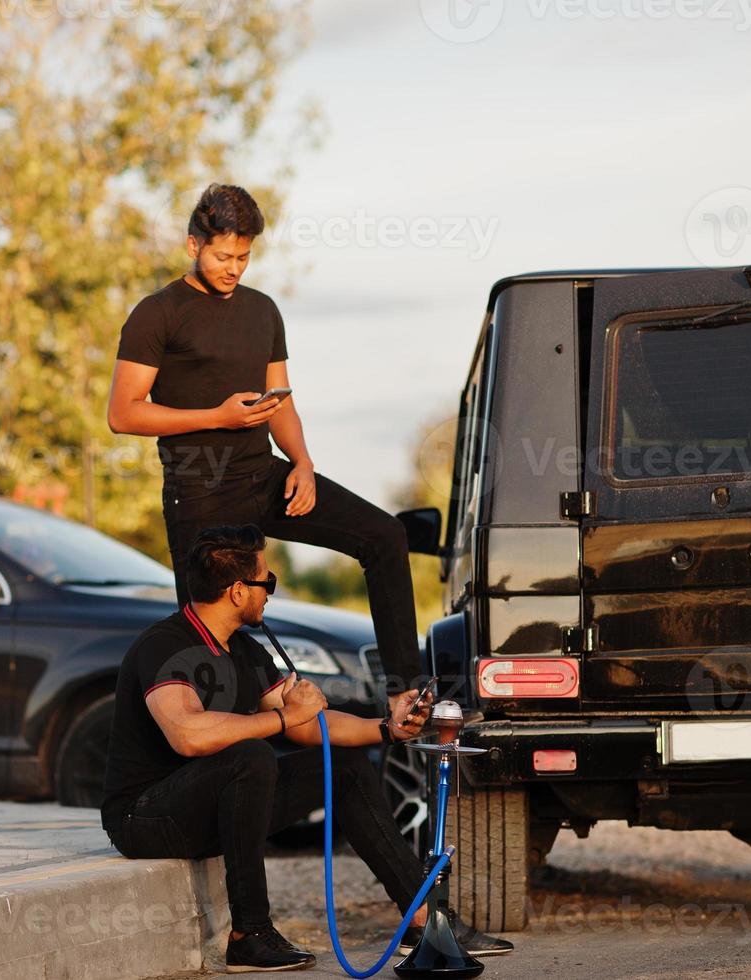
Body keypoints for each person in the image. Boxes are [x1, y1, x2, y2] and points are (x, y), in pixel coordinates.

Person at [100, 525, 513, 973]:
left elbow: (310, 726)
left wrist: (388, 729)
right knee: (251, 755)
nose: (270, 593)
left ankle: (423, 919)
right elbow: (189, 735)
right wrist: (279, 718)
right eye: (267, 582)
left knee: (347, 767)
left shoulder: (245, 649)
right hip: (143, 817)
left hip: (212, 805)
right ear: (238, 591)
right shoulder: (166, 645)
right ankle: (249, 934)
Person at [106, 182, 422, 696]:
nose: (234, 267)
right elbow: (123, 413)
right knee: (208, 640)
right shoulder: (157, 313)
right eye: (223, 255)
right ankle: (212, 742)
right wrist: (217, 417)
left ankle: (406, 692)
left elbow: (282, 400)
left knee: (385, 536)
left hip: (265, 474)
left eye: (244, 256)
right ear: (194, 246)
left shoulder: (263, 310)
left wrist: (301, 462)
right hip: (201, 492)